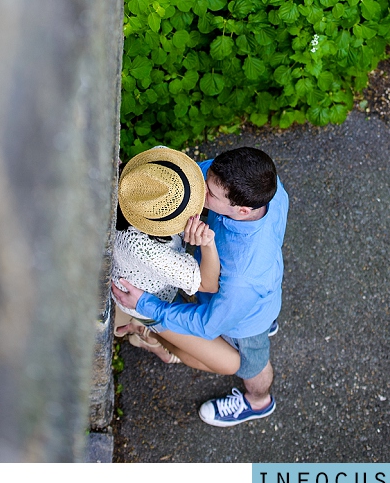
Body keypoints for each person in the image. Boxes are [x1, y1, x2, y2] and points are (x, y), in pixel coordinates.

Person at [112, 146, 289, 427]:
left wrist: (146, 306)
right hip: (256, 286)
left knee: (252, 364)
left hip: (242, 319)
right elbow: (191, 180)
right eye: (205, 179)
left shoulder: (243, 276)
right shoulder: (266, 185)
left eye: (208, 194)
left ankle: (258, 402)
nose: (199, 191)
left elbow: (208, 325)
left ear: (242, 210)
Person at [111, 146, 240, 375]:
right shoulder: (146, 247)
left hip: (152, 282)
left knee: (205, 344)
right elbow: (208, 285)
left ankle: (152, 333)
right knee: (230, 364)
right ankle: (146, 332)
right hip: (147, 302)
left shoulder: (142, 186)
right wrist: (207, 243)